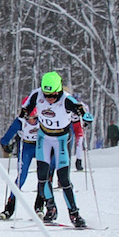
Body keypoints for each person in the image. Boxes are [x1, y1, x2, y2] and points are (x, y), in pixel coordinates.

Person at [20, 71, 92, 226]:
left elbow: (82, 110)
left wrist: (84, 115)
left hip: (61, 140)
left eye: (52, 95)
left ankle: (74, 214)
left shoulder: (66, 99)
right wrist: (24, 113)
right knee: (42, 177)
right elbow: (26, 108)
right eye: (46, 95)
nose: (49, 99)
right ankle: (51, 208)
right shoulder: (37, 95)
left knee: (64, 178)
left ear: (59, 91)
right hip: (44, 138)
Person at [0, 113, 38, 219]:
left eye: (34, 118)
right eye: (29, 118)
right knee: (21, 177)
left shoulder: (43, 118)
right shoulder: (20, 122)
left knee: (43, 176)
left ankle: (40, 206)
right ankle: (9, 207)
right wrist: (6, 145)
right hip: (25, 148)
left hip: (40, 147)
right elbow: (6, 138)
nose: (31, 121)